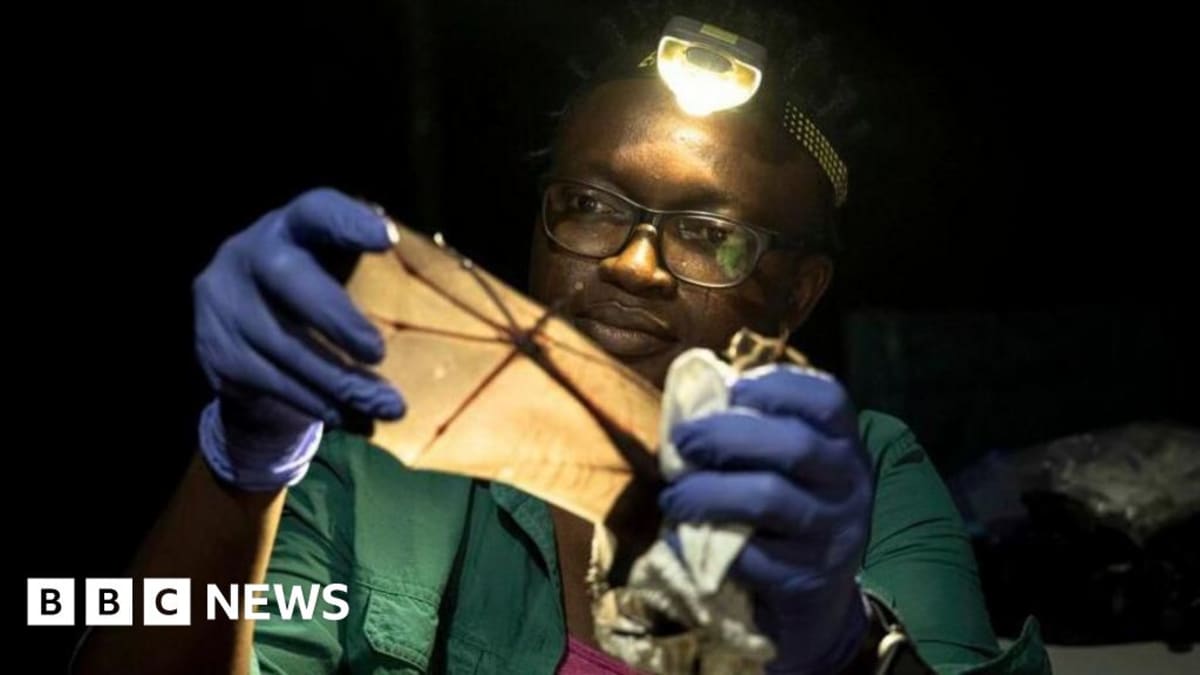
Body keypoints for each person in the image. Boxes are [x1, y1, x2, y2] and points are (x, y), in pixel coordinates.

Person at [75, 2, 1050, 673]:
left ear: (795, 291)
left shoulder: (863, 479)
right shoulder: (379, 470)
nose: (630, 265)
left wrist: (841, 649)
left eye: (706, 235)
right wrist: (238, 470)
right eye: (588, 206)